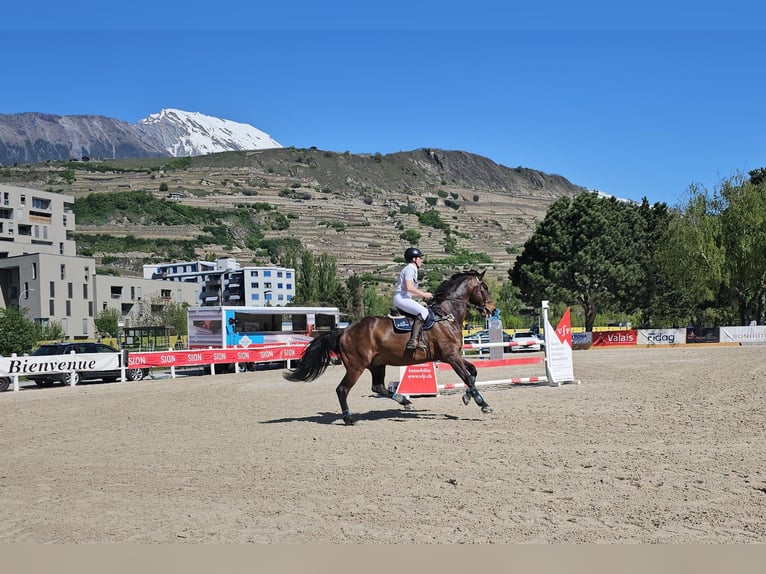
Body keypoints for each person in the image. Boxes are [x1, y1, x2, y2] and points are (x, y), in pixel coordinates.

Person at [394, 247, 433, 350]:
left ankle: (418, 339)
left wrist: (424, 295)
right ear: (414, 259)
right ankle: (413, 341)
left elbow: (409, 292)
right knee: (424, 312)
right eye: (420, 258)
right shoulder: (410, 269)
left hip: (404, 297)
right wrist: (424, 294)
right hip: (401, 298)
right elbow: (409, 288)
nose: (422, 260)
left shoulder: (412, 269)